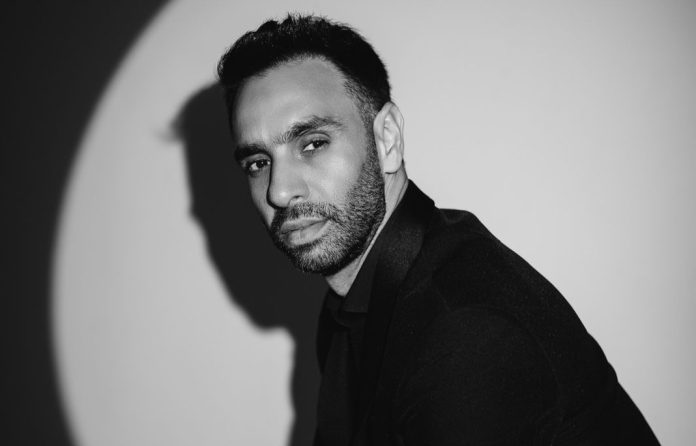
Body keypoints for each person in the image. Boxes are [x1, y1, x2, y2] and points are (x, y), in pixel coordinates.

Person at [216, 14, 659, 446]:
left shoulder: (464, 331)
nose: (279, 190)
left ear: (387, 139)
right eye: (258, 163)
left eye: (312, 144)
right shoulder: (354, 304)